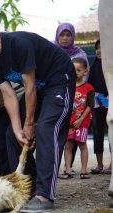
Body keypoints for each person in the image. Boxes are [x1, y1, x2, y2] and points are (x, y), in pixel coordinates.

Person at [0, 21, 76, 212]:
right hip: (39, 90)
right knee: (11, 136)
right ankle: (28, 189)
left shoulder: (18, 43)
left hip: (58, 81)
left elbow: (29, 86)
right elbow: (8, 94)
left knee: (46, 128)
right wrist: (17, 128)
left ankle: (45, 195)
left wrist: (29, 124)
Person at [55, 22, 89, 173]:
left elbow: (84, 80)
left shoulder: (80, 54)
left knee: (75, 136)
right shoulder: (52, 50)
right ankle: (59, 165)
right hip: (55, 94)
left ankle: (69, 167)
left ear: (73, 36)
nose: (65, 38)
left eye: (68, 35)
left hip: (76, 97)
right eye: (62, 35)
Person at [60, 58, 94, 180]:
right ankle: (68, 170)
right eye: (73, 70)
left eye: (78, 70)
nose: (75, 73)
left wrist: (81, 120)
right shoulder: (67, 86)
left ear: (85, 71)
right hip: (69, 123)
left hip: (82, 123)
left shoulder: (89, 87)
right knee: (68, 145)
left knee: (82, 145)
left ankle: (84, 171)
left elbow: (90, 105)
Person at [88, 39, 111, 175]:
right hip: (97, 105)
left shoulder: (111, 66)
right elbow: (90, 88)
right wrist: (90, 106)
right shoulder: (93, 67)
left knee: (112, 134)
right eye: (97, 48)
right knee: (97, 133)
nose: (99, 50)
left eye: (103, 48)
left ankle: (112, 165)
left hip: (111, 103)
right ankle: (99, 164)